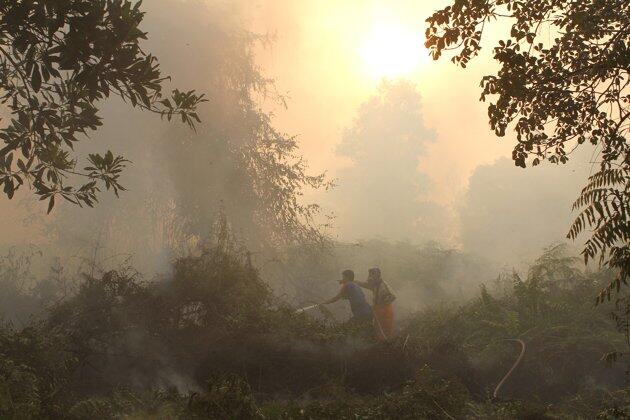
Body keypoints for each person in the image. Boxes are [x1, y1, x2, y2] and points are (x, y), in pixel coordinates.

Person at [357, 268, 396, 341]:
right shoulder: (375, 284)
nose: (370, 277)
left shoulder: (383, 285)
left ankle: (388, 345)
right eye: (370, 274)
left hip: (385, 310)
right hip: (378, 309)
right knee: (378, 328)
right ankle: (381, 344)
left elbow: (393, 296)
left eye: (372, 274)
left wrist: (381, 304)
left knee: (386, 328)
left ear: (378, 275)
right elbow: (367, 285)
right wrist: (355, 282)